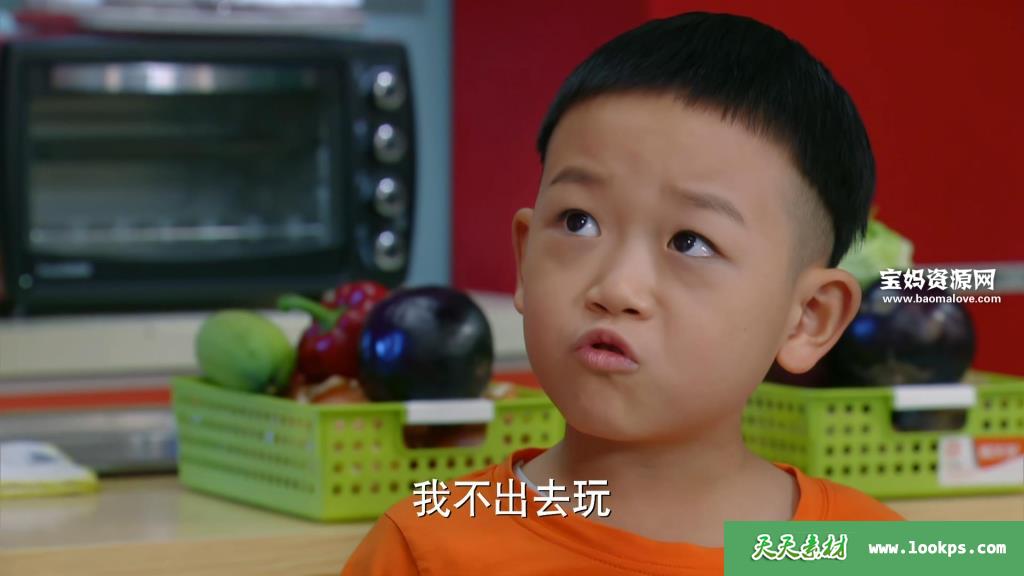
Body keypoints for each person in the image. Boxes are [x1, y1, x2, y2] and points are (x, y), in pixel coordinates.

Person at [342, 11, 902, 575]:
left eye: (691, 242)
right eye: (579, 222)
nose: (615, 287)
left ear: (808, 317)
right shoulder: (426, 550)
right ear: (525, 260)